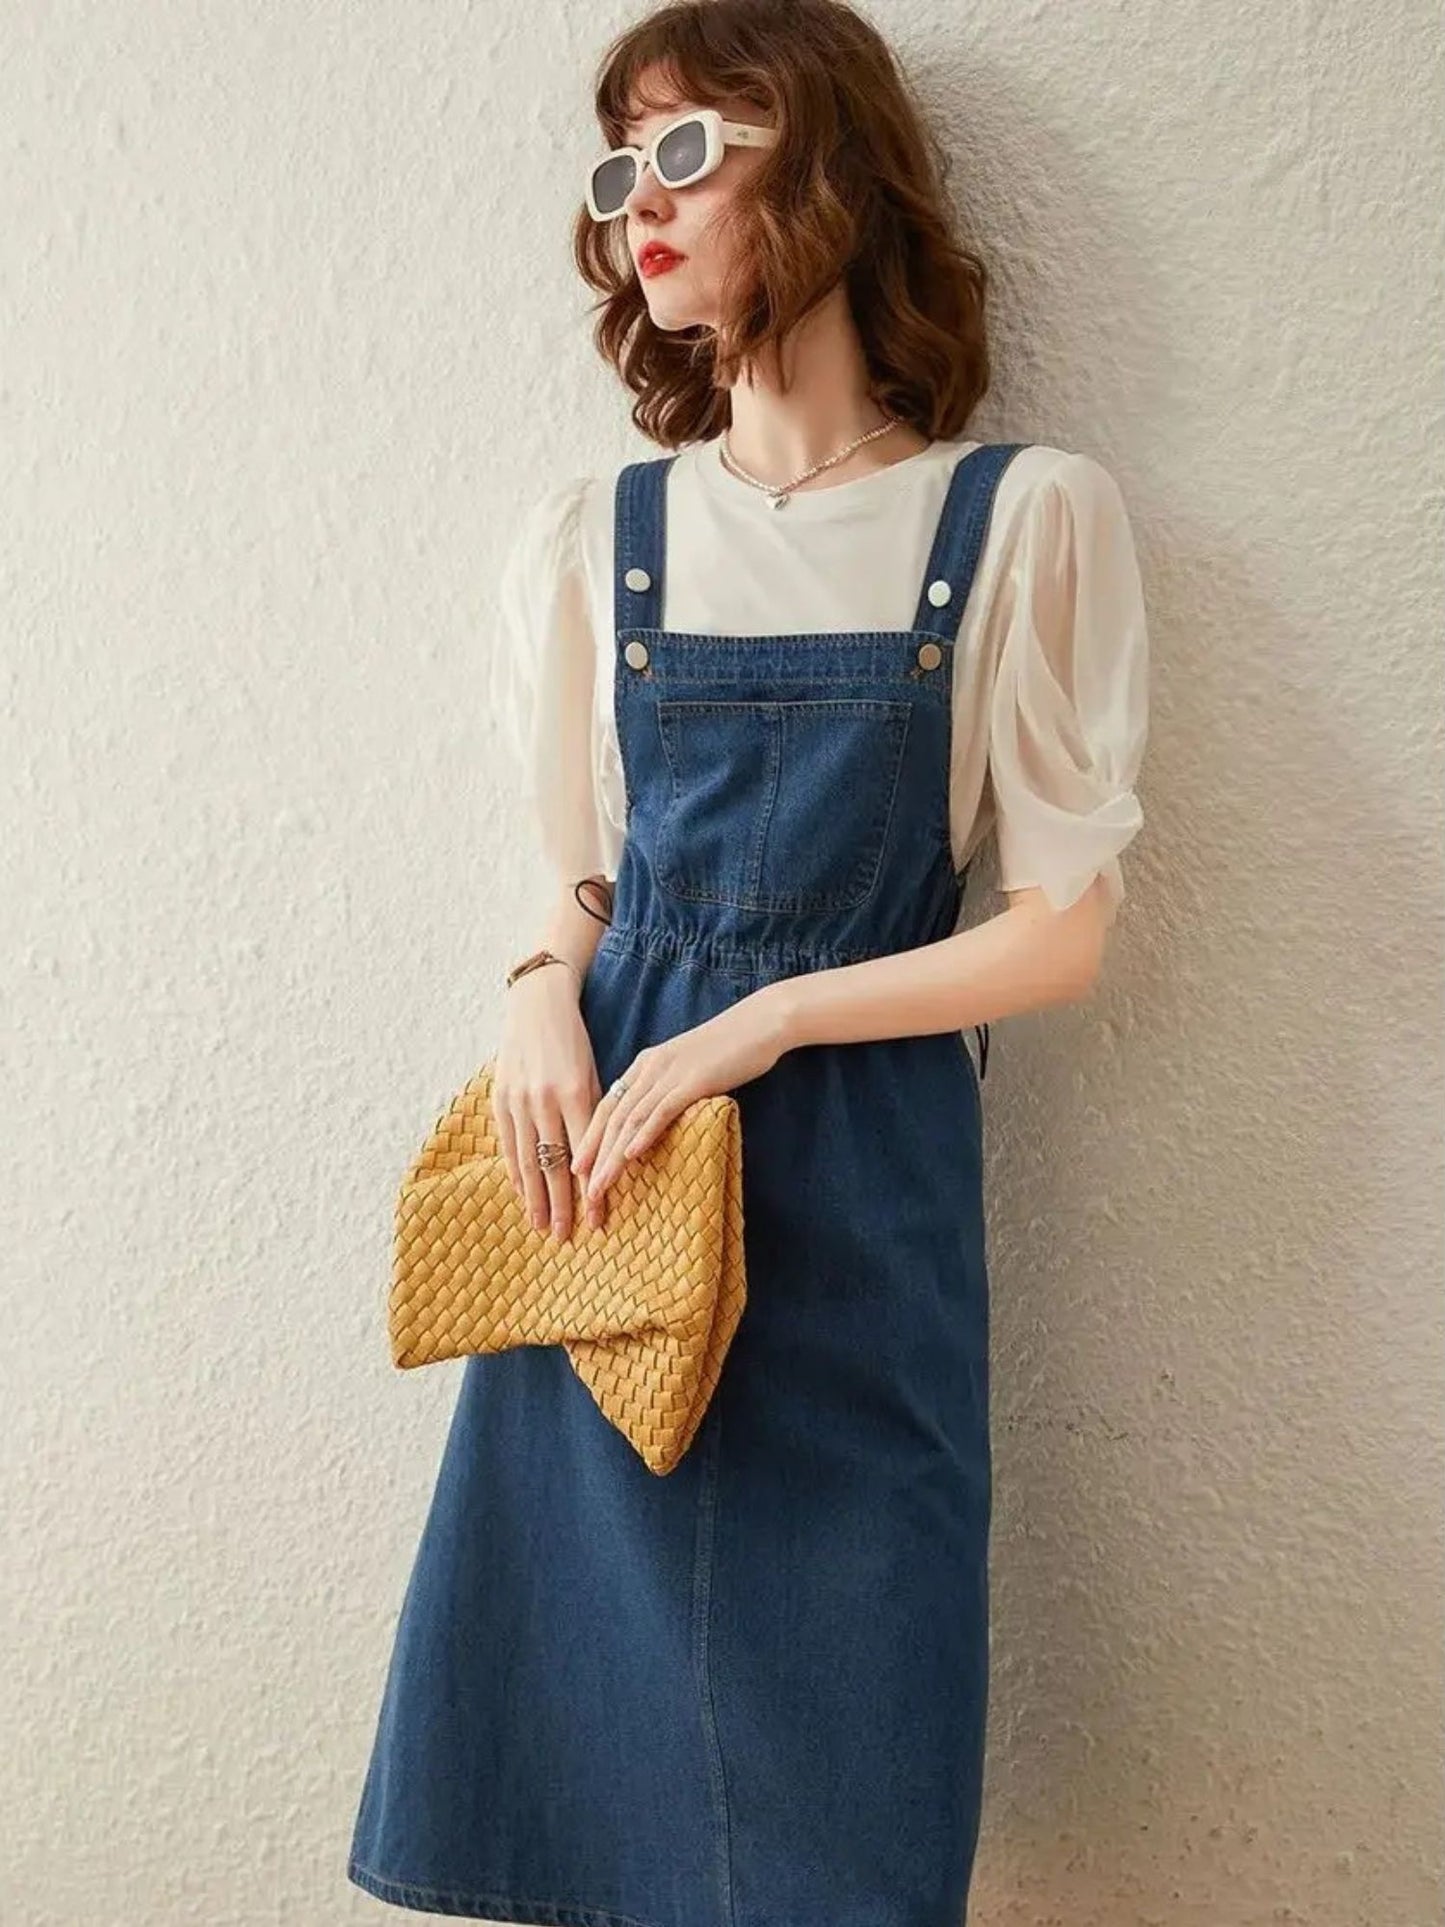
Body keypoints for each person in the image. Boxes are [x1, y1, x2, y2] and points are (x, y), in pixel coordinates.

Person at [346, 1, 1149, 1921]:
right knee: (589, 1797)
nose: (642, 204)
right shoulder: (597, 541)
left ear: (833, 166)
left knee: (853, 1793)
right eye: (618, 170)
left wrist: (771, 1017)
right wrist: (535, 992)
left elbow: (1063, 937)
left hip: (860, 1196)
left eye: (689, 147)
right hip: (615, 1201)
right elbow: (588, 889)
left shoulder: (1018, 519)